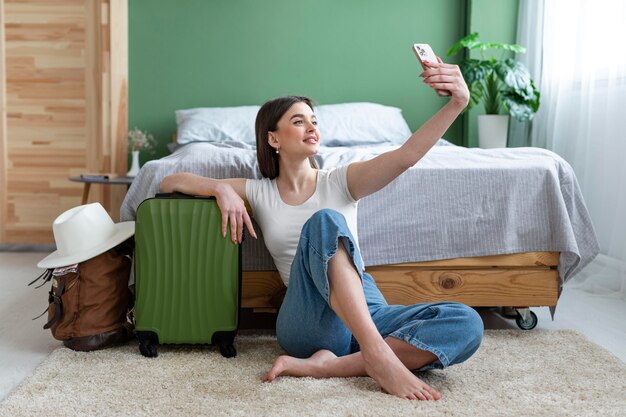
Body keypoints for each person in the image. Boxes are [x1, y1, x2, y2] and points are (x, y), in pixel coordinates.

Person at [160, 57, 483, 401]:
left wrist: (457, 103)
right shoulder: (260, 191)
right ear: (273, 139)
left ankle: (331, 366)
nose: (312, 127)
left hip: (367, 307)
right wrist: (219, 188)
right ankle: (377, 355)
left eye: (314, 121)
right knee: (324, 221)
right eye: (298, 122)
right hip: (310, 318)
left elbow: (406, 156)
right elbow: (169, 180)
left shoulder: (342, 181)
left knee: (465, 322)